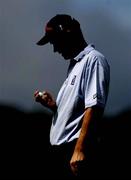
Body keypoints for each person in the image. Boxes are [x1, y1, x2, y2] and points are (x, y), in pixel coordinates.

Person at [34, 14, 110, 179]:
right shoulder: (75, 65)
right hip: (63, 153)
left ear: (68, 33)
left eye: (55, 41)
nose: (55, 49)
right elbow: (77, 112)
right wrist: (54, 106)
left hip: (73, 153)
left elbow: (94, 107)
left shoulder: (93, 60)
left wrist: (79, 150)